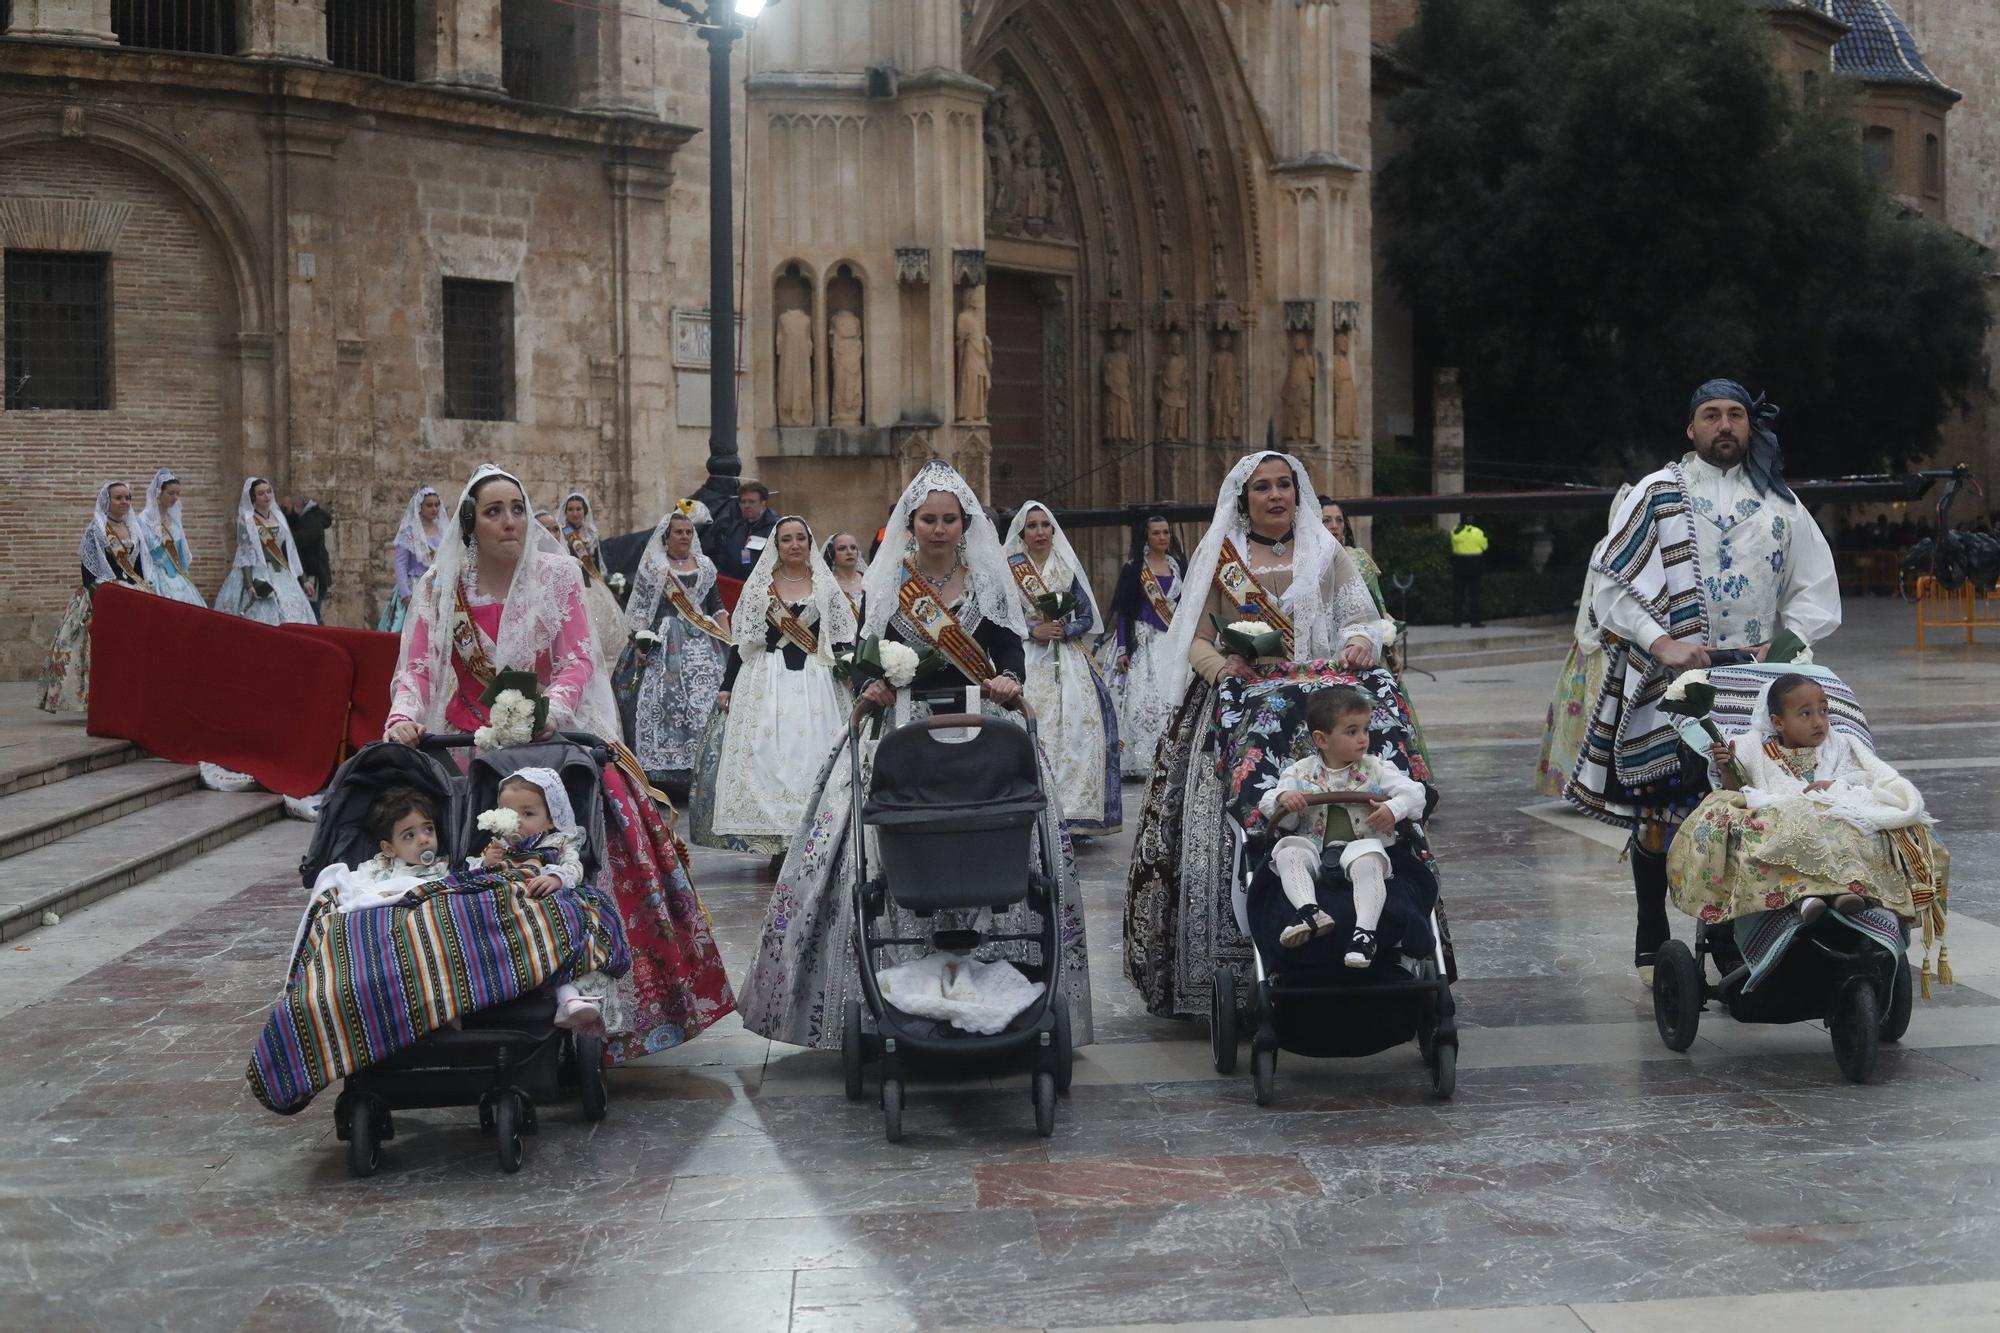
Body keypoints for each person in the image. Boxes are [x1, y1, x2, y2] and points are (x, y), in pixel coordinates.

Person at [733, 459, 1094, 1050]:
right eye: (929, 519)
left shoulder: (987, 582)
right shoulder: (890, 584)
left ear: (964, 524)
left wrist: (1006, 678)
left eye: (950, 519)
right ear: (911, 524)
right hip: (903, 737)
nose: (939, 529)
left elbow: (1010, 651)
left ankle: (1007, 975)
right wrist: (873, 682)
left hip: (980, 730)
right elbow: (867, 654)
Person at [382, 463, 735, 1061]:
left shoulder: (558, 575)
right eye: (494, 511)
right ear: (470, 524)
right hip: (469, 751)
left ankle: (603, 1008)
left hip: (551, 741)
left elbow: (576, 657)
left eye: (517, 508)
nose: (510, 521)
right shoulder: (441, 590)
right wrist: (402, 717)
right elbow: (417, 669)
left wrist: (553, 709)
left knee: (597, 833)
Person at [1566, 379, 1841, 983]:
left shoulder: (1781, 502)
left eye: (1735, 415)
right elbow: (1612, 580)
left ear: (1749, 426)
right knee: (1661, 818)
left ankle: (1727, 939)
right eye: (1711, 415)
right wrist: (1661, 642)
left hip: (1752, 678)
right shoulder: (1657, 492)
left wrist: (1787, 643)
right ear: (1691, 428)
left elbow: (1815, 589)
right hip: (1669, 677)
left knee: (1741, 810)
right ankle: (1650, 934)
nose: (1724, 425)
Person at [1125, 451, 1402, 1019]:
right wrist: (1222, 667)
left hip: (1321, 708)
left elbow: (1363, 619)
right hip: (1242, 709)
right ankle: (1228, 972)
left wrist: (1359, 644)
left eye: (1284, 485)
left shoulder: (1327, 554)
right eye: (1261, 488)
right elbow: (1196, 638)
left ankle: (1358, 935)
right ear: (1242, 499)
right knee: (1236, 827)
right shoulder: (1218, 557)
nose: (1275, 496)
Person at [1670, 673, 1947, 989]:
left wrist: (1837, 787)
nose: (1819, 721)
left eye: (1824, 710)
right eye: (1806, 714)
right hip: (1782, 822)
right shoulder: (1750, 749)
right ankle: (1804, 899)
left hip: (1832, 818)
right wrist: (1726, 768)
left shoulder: (1841, 744)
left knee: (1851, 833)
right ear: (1778, 722)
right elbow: (1739, 795)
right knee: (1775, 832)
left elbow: (1867, 780)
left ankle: (1845, 894)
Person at [696, 516, 855, 854]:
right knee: (769, 759)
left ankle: (814, 838)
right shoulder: (760, 586)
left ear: (810, 544)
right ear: (777, 546)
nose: (794, 545)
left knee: (815, 755)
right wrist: (727, 685)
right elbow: (743, 642)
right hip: (768, 679)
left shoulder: (825, 585)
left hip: (818, 681)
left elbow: (842, 640)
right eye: (787, 539)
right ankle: (778, 844)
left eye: (800, 538)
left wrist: (854, 673)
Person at [1259, 686, 1428, 964]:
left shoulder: (1376, 769)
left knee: (1368, 857)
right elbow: (1275, 811)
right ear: (1322, 740)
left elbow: (1414, 793)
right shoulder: (1299, 772)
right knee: (1287, 850)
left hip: (1360, 846)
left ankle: (1364, 934)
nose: (1363, 739)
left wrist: (1392, 808)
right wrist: (1284, 799)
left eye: (1365, 729)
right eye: (1352, 732)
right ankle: (1309, 911)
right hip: (1314, 850)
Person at [1002, 501, 1121, 834]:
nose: (1039, 531)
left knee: (1079, 729)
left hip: (1068, 659)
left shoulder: (1067, 566)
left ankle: (1073, 813)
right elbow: (1000, 616)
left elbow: (1085, 615)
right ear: (1022, 533)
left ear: (1053, 530)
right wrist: (1032, 630)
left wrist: (1064, 629)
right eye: (1032, 526)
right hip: (1026, 656)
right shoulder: (1009, 568)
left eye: (1045, 525)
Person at [613, 509, 731, 801]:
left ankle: (706, 772)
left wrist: (729, 638)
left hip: (704, 641)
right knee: (664, 703)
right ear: (666, 537)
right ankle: (664, 778)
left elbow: (715, 605)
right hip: (665, 641)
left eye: (689, 532)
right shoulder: (654, 567)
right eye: (679, 532)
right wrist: (640, 643)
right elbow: (640, 610)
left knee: (707, 701)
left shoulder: (704, 566)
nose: (685, 537)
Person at [474, 770, 605, 1030]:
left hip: (540, 904)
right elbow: (475, 875)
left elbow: (573, 868)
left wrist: (556, 878)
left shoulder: (557, 842)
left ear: (550, 820)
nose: (518, 822)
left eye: (528, 814)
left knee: (560, 926)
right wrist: (485, 863)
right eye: (510, 814)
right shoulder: (498, 848)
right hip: (503, 905)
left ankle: (567, 997)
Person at [1534, 486, 1633, 799]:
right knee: (1597, 711)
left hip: (1627, 640)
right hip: (1604, 642)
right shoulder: (1606, 547)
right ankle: (1589, 784)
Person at [39, 480, 153, 714]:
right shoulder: (96, 530)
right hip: (102, 595)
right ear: (107, 501)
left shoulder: (134, 529)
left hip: (133, 595)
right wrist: (104, 598)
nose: (125, 502)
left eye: (128, 497)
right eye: (119, 498)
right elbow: (88, 572)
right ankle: (97, 701)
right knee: (94, 651)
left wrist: (145, 591)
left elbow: (139, 567)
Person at [1104, 515, 1183, 779]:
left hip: (1169, 641)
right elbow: (1124, 612)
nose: (1163, 537)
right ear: (1146, 537)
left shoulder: (1177, 565)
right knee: (1141, 702)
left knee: (1171, 697)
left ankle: (1169, 755)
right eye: (1157, 533)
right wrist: (1124, 648)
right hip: (1143, 642)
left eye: (1166, 532)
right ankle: (1140, 758)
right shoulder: (1135, 568)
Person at [221, 477, 317, 625]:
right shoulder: (247, 520)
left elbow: (290, 551)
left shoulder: (278, 517)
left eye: (269, 492)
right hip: (257, 572)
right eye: (261, 493)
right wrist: (249, 584)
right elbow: (245, 554)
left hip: (281, 573)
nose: (266, 496)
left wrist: (303, 579)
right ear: (253, 497)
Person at [559, 491, 630, 661]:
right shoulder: (563, 533)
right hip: (573, 581)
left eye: (578, 509)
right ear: (565, 512)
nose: (575, 513)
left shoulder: (591, 533)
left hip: (593, 581)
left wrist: (606, 584)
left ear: (585, 511)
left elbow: (597, 564)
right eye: (571, 509)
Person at [134, 468, 206, 607]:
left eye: (178, 494)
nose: (175, 497)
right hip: (154, 576)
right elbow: (140, 553)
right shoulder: (143, 521)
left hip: (176, 577)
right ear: (159, 493)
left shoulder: (174, 521)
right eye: (171, 493)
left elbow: (181, 553)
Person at [376, 485, 442, 632]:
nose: (434, 509)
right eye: (429, 505)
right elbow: (400, 563)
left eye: (436, 505)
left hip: (438, 588)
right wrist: (406, 593)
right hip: (415, 587)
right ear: (420, 507)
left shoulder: (442, 530)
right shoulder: (409, 533)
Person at [706, 479, 780, 582]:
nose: (746, 506)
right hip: (733, 584)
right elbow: (725, 556)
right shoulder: (736, 526)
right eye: (743, 502)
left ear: (763, 503)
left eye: (752, 502)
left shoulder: (776, 528)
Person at [284, 497, 335, 620]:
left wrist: (283, 530)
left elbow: (300, 540)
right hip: (314, 575)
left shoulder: (311, 521)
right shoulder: (308, 519)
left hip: (314, 578)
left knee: (312, 612)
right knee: (310, 611)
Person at [1449, 516, 1488, 627]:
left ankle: (1457, 622)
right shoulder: (1478, 532)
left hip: (1459, 565)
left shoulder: (1455, 532)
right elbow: (1484, 546)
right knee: (1475, 595)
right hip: (1475, 566)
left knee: (1458, 594)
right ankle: (1475, 621)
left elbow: (1453, 545)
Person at [824, 530, 868, 621]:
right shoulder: (827, 585)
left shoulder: (870, 580)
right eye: (842, 548)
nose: (849, 552)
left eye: (853, 548)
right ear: (832, 554)